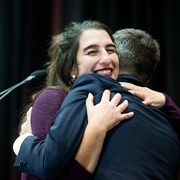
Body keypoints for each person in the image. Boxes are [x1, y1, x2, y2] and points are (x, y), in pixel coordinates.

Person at [13, 24, 180, 179]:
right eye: (92, 52)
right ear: (71, 68)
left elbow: (49, 165)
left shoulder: (107, 95)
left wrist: (22, 142)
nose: (106, 58)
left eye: (111, 49)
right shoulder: (57, 96)